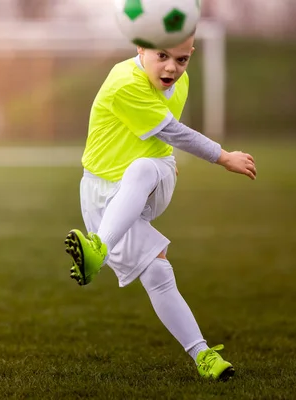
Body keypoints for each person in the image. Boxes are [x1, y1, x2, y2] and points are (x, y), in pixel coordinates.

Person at [64, 33, 257, 381]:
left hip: (151, 178)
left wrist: (164, 164)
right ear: (140, 48)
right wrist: (224, 156)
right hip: (100, 195)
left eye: (181, 60)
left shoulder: (178, 84)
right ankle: (205, 357)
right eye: (162, 56)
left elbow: (167, 135)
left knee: (142, 168)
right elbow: (173, 131)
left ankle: (98, 249)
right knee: (158, 273)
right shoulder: (124, 82)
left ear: (191, 55)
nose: (172, 67)